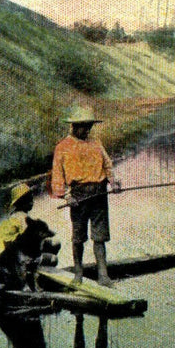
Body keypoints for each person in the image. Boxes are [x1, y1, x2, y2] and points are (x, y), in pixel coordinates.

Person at [51, 106, 118, 286]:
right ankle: (78, 273)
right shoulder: (62, 147)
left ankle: (103, 275)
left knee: (100, 236)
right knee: (78, 237)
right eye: (83, 126)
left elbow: (107, 164)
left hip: (99, 193)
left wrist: (114, 182)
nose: (87, 130)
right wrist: (66, 196)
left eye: (89, 126)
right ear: (73, 126)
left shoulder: (96, 143)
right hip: (78, 196)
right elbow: (58, 175)